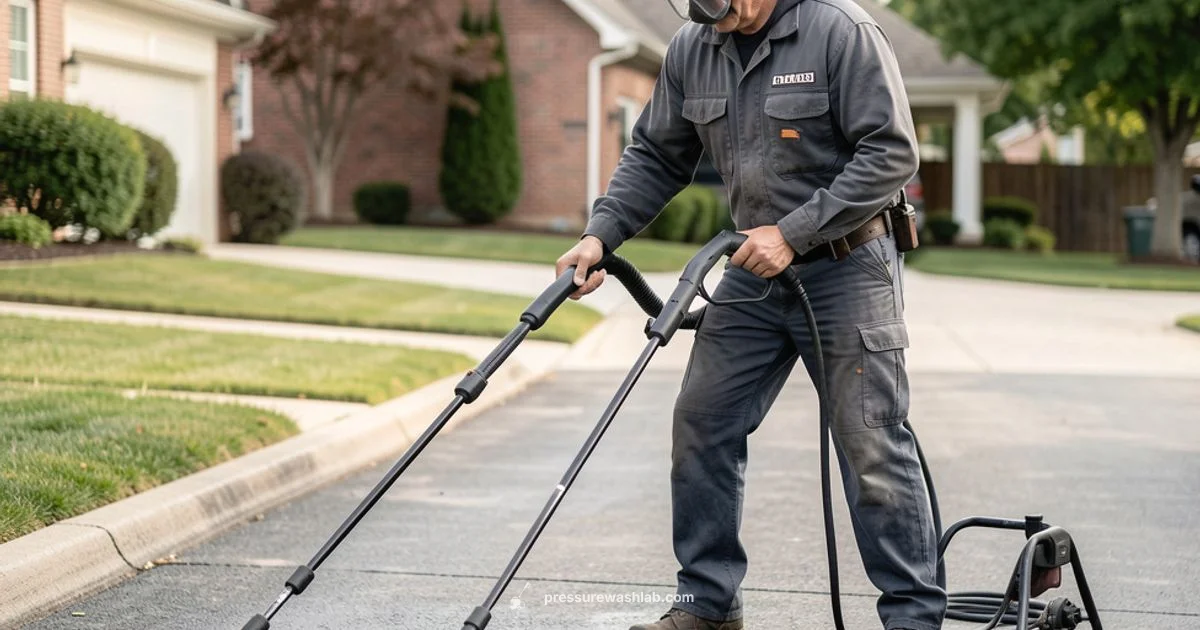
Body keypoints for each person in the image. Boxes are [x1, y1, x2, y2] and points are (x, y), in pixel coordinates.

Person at [554, 0, 946, 628]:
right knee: (702, 420)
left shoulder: (841, 32)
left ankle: (913, 617)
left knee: (870, 442)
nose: (712, 18)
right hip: (754, 268)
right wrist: (600, 236)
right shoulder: (694, 45)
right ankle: (707, 604)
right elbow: (656, 154)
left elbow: (891, 154)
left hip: (847, 263)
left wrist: (794, 232)